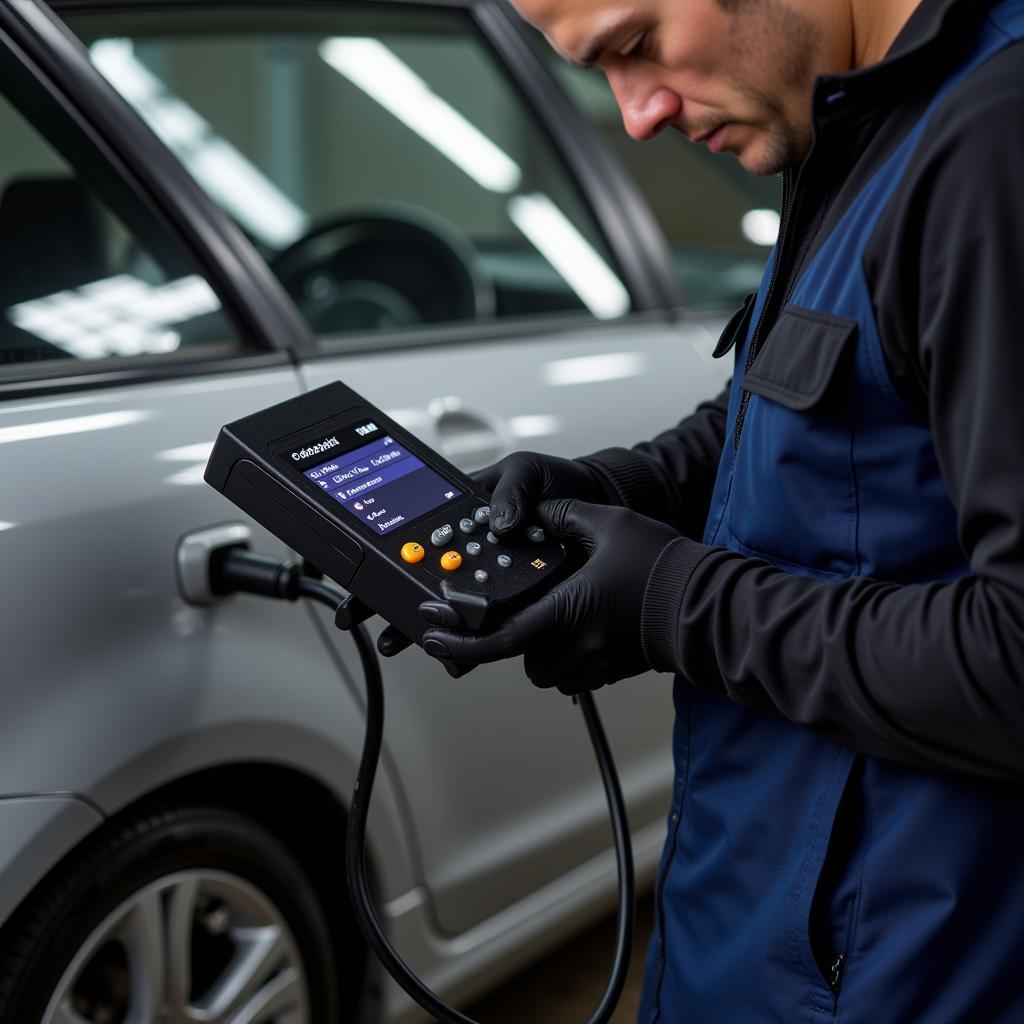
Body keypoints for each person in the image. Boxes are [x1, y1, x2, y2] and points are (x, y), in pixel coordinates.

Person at [385, 0, 1024, 1018]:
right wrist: (616, 487)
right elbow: (812, 408)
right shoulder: (857, 116)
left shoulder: (993, 143)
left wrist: (668, 602)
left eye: (635, 48)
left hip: (903, 968)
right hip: (757, 922)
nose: (635, 114)